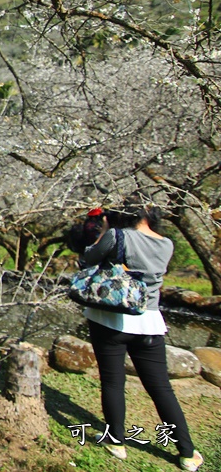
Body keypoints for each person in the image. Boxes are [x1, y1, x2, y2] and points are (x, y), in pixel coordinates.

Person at [79, 195, 203, 471]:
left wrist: (102, 233)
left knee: (112, 381)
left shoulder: (116, 235)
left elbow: (87, 259)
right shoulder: (166, 244)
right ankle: (187, 452)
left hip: (110, 318)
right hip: (149, 322)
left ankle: (116, 442)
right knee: (161, 388)